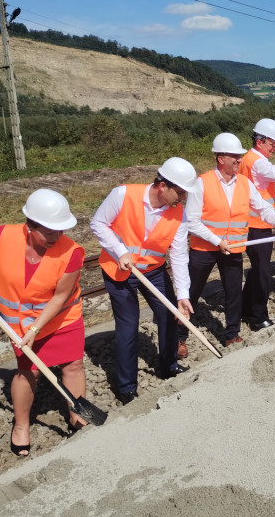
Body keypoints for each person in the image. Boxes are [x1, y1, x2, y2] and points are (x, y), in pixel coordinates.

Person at [0, 189, 85, 455]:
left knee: (73, 365)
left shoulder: (72, 252)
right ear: (30, 225)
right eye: (49, 232)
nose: (56, 237)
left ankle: (78, 414)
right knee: (28, 371)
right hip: (18, 324)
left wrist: (36, 328)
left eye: (61, 231)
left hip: (62, 319)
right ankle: (21, 425)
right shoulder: (3, 235)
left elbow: (60, 297)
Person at [180, 134, 275, 351]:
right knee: (190, 293)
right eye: (234, 157)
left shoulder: (244, 183)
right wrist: (217, 241)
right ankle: (179, 337)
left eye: (239, 156)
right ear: (220, 159)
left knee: (234, 291)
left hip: (233, 248)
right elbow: (192, 221)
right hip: (204, 249)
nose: (239, 160)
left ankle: (231, 334)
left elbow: (264, 209)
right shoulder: (203, 182)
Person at [90, 157, 197, 404]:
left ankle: (168, 365)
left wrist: (183, 296)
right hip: (119, 271)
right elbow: (98, 224)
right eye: (180, 192)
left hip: (154, 271)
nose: (182, 198)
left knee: (170, 314)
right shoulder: (122, 195)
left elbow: (179, 255)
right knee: (128, 326)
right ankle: (127, 387)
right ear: (163, 186)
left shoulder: (178, 214)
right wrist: (119, 250)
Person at [238, 118, 275, 331]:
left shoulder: (248, 159)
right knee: (263, 271)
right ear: (260, 141)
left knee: (256, 270)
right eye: (273, 144)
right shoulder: (257, 162)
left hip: (255, 221)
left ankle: (245, 308)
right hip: (257, 223)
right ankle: (258, 317)